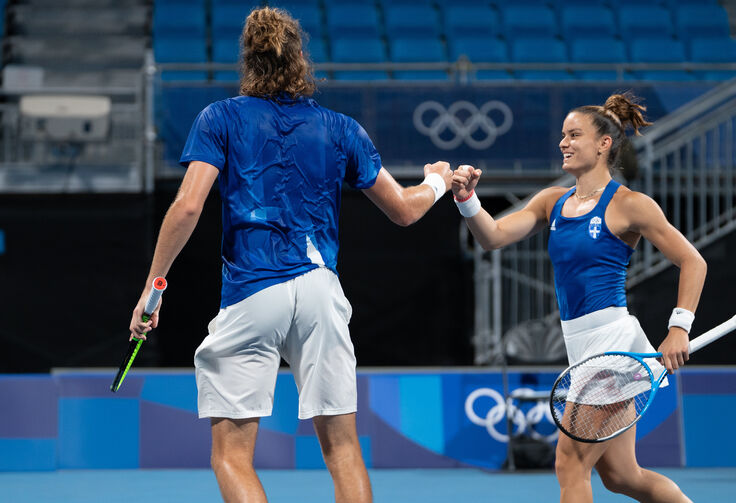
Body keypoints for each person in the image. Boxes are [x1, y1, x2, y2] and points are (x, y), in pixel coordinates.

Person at [128, 7, 453, 503]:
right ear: (300, 58)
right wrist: (439, 180)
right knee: (343, 447)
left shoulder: (219, 117)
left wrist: (152, 290)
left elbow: (188, 206)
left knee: (232, 456)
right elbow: (406, 211)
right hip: (321, 293)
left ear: (248, 61)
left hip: (253, 292)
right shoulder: (342, 128)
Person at [452, 93, 706, 503]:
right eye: (562, 135)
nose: (563, 143)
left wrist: (679, 328)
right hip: (581, 347)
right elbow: (493, 237)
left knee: (569, 462)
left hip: (613, 347)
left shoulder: (630, 205)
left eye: (574, 135)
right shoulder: (553, 201)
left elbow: (693, 262)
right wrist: (467, 200)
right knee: (623, 476)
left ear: (604, 144)